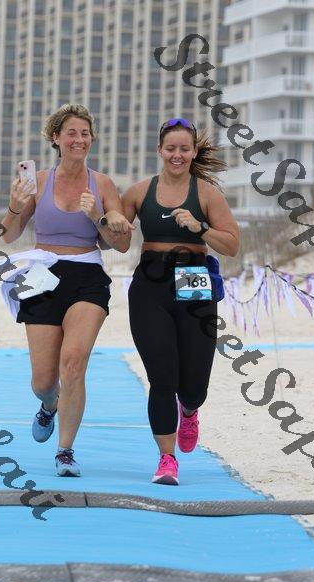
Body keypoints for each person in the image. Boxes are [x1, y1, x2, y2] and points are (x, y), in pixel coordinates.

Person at [1, 104, 132, 477]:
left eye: (85, 133)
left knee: (73, 363)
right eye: (71, 133)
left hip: (87, 276)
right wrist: (15, 206)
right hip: (42, 276)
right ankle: (49, 406)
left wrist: (98, 217)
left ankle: (65, 451)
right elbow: (8, 235)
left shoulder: (102, 184)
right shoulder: (38, 181)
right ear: (55, 138)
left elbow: (121, 244)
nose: (79, 139)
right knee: (43, 382)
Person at [109, 117, 239, 485]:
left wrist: (200, 228)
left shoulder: (207, 194)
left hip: (193, 277)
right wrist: (108, 219)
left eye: (184, 148)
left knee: (194, 384)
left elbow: (232, 245)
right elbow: (118, 242)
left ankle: (190, 409)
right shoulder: (139, 192)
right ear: (159, 151)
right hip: (150, 283)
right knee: (162, 376)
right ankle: (166, 459)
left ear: (193, 152)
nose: (177, 155)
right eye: (171, 148)